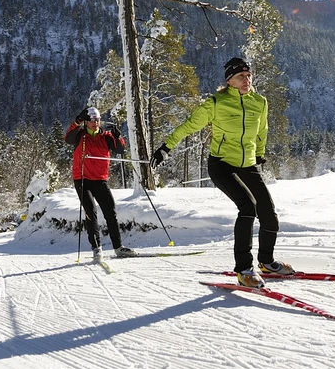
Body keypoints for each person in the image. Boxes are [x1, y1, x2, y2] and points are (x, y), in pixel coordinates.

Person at [151, 57, 292, 288]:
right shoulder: (217, 103)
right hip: (222, 165)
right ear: (229, 80)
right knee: (248, 206)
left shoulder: (260, 102)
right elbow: (189, 125)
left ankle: (266, 262)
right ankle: (244, 269)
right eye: (240, 76)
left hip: (247, 164)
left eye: (248, 75)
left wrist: (260, 153)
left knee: (268, 209)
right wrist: (166, 147)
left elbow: (262, 130)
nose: (246, 79)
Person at [66, 106, 136, 261]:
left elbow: (120, 149)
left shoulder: (106, 136)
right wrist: (77, 121)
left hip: (100, 180)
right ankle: (96, 248)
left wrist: (118, 137)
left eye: (97, 120)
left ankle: (118, 247)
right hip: (82, 179)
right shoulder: (80, 135)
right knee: (90, 213)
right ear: (86, 122)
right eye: (91, 120)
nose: (94, 123)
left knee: (111, 212)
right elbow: (68, 139)